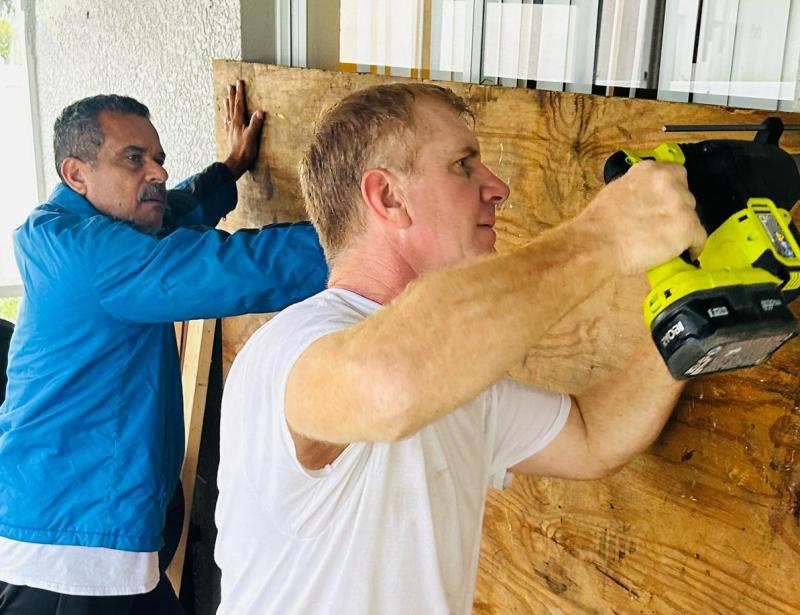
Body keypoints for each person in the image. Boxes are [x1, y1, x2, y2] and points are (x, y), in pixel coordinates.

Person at [214, 82, 707, 615]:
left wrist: (694, 315)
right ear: (388, 197)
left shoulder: (459, 383)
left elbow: (593, 436)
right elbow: (392, 382)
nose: (497, 188)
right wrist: (605, 235)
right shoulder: (292, 348)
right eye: (463, 165)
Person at [0, 81, 327, 614]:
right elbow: (229, 269)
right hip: (70, 553)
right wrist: (366, 239)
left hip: (81, 531)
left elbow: (176, 211)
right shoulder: (94, 256)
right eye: (134, 159)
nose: (157, 172)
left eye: (158, 158)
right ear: (76, 173)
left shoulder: (80, 229)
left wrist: (229, 171)